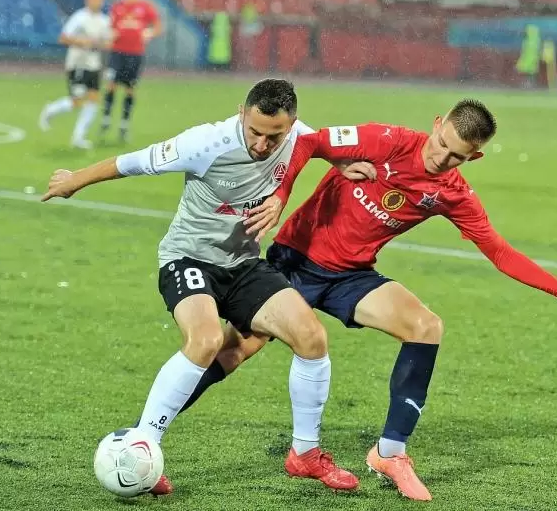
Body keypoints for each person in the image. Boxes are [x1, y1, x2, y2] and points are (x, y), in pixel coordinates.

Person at [175, 99, 557, 501]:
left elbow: (498, 251)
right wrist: (281, 196)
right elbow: (309, 141)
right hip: (295, 261)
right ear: (437, 124)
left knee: (425, 326)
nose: (441, 158)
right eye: (442, 144)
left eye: (456, 156)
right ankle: (147, 436)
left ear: (473, 158)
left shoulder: (453, 193)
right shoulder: (387, 140)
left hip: (351, 277)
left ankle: (389, 452)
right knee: (232, 351)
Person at [42, 80, 370, 496]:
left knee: (311, 337)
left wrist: (342, 163)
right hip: (188, 259)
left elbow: (322, 144)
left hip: (243, 264)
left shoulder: (298, 136)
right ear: (241, 113)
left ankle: (305, 454)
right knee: (206, 339)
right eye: (255, 132)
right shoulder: (204, 143)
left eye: (274, 137)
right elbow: (134, 162)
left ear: (290, 125)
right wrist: (75, 180)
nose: (263, 145)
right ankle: (144, 445)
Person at [38, 0, 111, 149]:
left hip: (93, 64)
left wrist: (99, 43)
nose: (96, 1)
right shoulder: (79, 17)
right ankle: (51, 109)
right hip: (78, 64)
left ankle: (78, 137)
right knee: (77, 101)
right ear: (87, 0)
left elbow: (108, 42)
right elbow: (63, 38)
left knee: (93, 100)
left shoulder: (105, 20)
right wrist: (81, 42)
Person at [100, 0, 162, 143]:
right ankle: (106, 117)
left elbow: (158, 27)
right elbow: (110, 27)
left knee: (130, 88)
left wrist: (149, 33)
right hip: (117, 53)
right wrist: (110, 35)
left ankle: (124, 123)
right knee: (111, 84)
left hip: (135, 54)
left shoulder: (145, 8)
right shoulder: (117, 7)